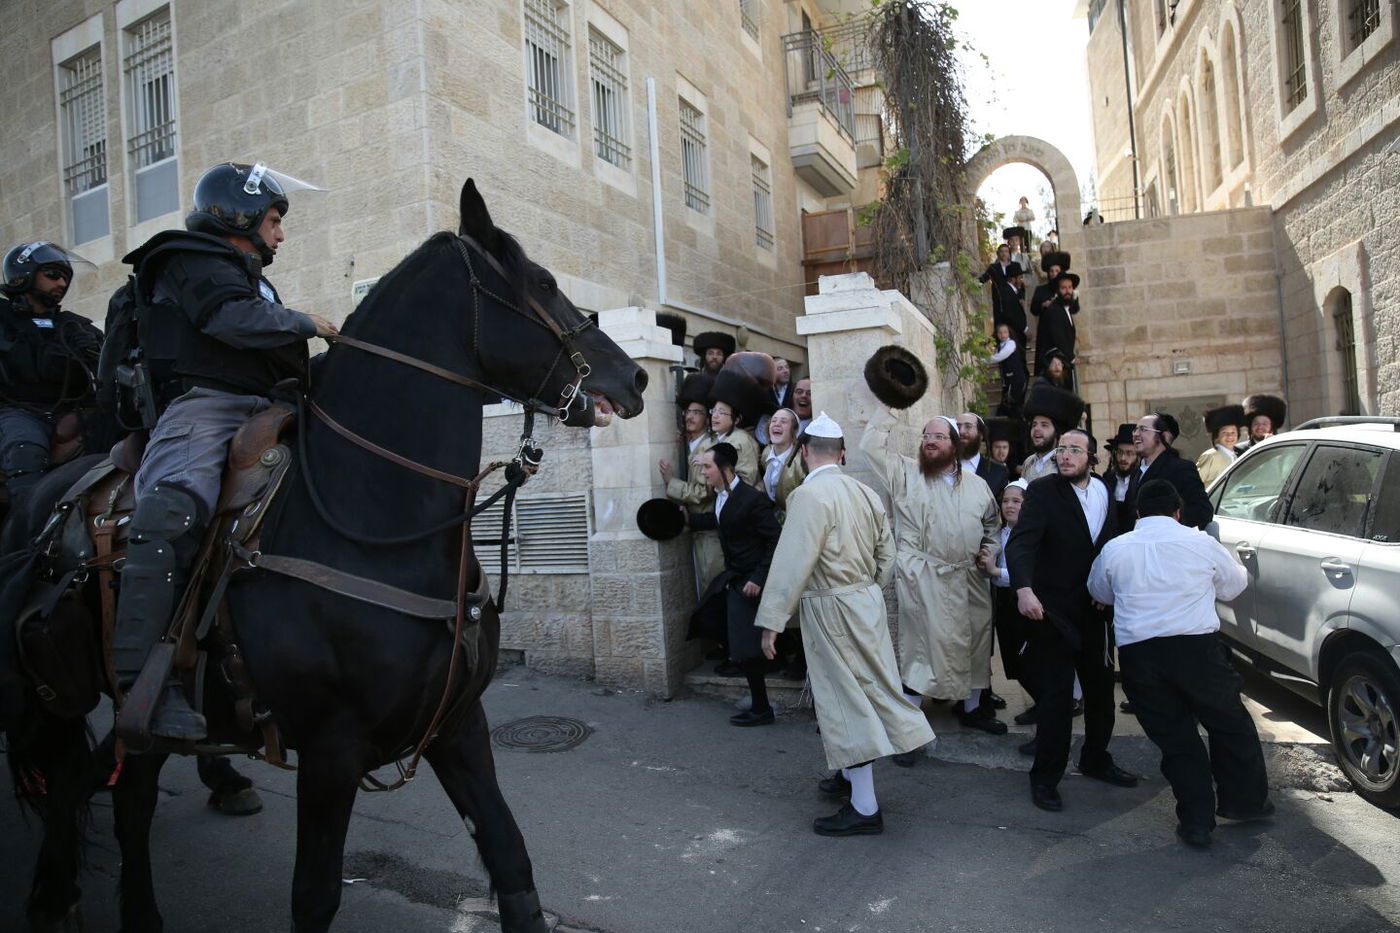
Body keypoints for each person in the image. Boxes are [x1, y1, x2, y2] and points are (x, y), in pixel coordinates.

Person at [112, 162, 339, 741]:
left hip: (267, 406)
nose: (280, 235)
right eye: (272, 220)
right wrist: (303, 321)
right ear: (238, 214)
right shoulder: (187, 257)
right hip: (206, 407)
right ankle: (144, 684)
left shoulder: (251, 276)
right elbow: (227, 320)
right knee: (173, 511)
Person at [754, 413, 935, 836]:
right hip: (864, 602)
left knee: (844, 701)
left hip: (831, 608)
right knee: (866, 693)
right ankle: (851, 781)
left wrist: (772, 622)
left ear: (803, 453)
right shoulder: (865, 492)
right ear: (842, 453)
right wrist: (865, 589)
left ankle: (865, 807)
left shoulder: (807, 497)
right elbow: (887, 554)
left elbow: (792, 562)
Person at [1088, 480, 1272, 847]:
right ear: (1178, 512)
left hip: (1141, 656)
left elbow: (1098, 592)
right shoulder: (1201, 542)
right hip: (1197, 650)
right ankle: (1244, 802)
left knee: (1177, 740)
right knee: (1229, 724)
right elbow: (1234, 586)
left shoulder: (1115, 548)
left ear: (1138, 513)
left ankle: (1196, 823)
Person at [1006, 428, 1137, 812]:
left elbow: (1110, 545)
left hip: (1095, 612)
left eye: (1075, 450)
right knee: (1057, 700)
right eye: (1062, 449)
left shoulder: (1103, 489)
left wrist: (1108, 591)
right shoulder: (1044, 492)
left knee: (1100, 696)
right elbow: (1021, 545)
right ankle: (1046, 778)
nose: (1065, 455)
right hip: (1053, 614)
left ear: (1092, 458)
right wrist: (1024, 589)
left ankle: (1096, 758)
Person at [860, 407, 1006, 734]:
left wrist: (989, 552)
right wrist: (888, 409)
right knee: (922, 647)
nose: (930, 441)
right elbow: (870, 446)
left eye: (939, 437)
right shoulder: (906, 473)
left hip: (969, 577)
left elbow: (992, 526)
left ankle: (972, 709)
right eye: (926, 436)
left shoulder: (977, 485)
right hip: (923, 577)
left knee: (976, 641)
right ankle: (909, 724)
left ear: (954, 444)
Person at [685, 443, 782, 726]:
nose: (703, 473)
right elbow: (720, 520)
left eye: (708, 467)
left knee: (748, 647)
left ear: (725, 469)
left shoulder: (752, 499)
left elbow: (775, 539)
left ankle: (762, 709)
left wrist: (758, 578)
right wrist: (687, 520)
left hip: (751, 582)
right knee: (715, 623)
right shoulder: (721, 496)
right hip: (734, 578)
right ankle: (760, 704)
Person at [0, 241, 104, 493]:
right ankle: (27, 528)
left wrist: (94, 350)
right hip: (19, 411)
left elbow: (109, 366)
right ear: (23, 273)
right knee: (26, 448)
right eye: (52, 275)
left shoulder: (74, 325)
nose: (61, 284)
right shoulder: (3, 317)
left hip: (73, 411)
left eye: (65, 278)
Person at [660, 372, 722, 598]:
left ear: (707, 417)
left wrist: (670, 482)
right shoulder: (689, 443)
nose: (690, 417)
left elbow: (702, 492)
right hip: (696, 532)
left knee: (711, 586)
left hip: (710, 532)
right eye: (688, 411)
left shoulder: (708, 447)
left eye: (697, 412)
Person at [985, 480, 1035, 716]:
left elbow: (1029, 572)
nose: (1009, 506)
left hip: (1024, 604)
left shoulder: (1031, 534)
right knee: (1011, 659)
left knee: (1027, 659)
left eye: (1016, 501)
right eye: (1005, 501)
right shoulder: (1000, 532)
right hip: (1004, 602)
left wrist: (996, 572)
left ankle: (1043, 705)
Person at [1126, 412, 1213, 531]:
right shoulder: (1136, 472)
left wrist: (1167, 522)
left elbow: (1203, 511)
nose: (1136, 434)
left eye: (1143, 429)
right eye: (1135, 430)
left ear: (1164, 436)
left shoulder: (1181, 468)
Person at [1018, 384, 1083, 483]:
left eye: (1044, 425)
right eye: (1034, 424)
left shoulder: (1065, 462)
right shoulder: (1028, 463)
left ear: (1057, 432)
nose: (1037, 429)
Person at [1035, 271, 1079, 379]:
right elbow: (1058, 338)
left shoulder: (1065, 308)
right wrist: (1071, 357)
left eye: (1070, 287)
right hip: (1056, 367)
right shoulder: (1054, 310)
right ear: (1058, 290)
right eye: (1063, 288)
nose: (1067, 291)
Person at [957, 411, 1009, 502]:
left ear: (980, 434)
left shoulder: (998, 471)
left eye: (968, 426)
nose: (961, 431)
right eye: (957, 427)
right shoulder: (942, 467)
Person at [1195, 404, 1247, 487]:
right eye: (1224, 433)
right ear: (1217, 435)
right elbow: (1195, 482)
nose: (1230, 436)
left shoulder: (1236, 455)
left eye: (1233, 432)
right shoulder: (1211, 456)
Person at [1101, 423, 1139, 528]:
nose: (1123, 458)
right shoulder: (1108, 478)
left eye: (1129, 453)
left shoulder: (1142, 480)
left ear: (1138, 456)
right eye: (1120, 452)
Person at [761, 408, 799, 504]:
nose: (777, 424)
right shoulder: (766, 452)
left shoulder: (800, 462)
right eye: (773, 420)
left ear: (793, 430)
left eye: (783, 421)